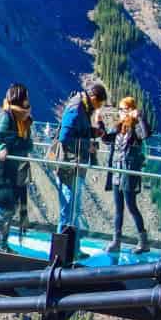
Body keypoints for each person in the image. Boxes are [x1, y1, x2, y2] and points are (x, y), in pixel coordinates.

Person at [0, 84, 33, 250]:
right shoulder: (7, 117)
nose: (28, 101)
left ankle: (2, 243)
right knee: (7, 208)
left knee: (12, 208)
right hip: (5, 170)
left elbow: (27, 143)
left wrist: (23, 144)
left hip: (17, 169)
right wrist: (4, 148)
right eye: (26, 97)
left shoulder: (22, 119)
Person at [52, 80, 108, 234]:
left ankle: (73, 247)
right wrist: (86, 145)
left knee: (73, 209)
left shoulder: (83, 108)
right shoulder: (76, 109)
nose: (100, 107)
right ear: (94, 98)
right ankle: (62, 249)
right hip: (68, 166)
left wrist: (92, 132)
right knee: (68, 210)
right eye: (100, 103)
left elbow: (78, 131)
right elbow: (65, 137)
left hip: (75, 165)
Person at [106, 94, 152, 255]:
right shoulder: (119, 126)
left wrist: (139, 118)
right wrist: (98, 122)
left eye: (124, 109)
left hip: (129, 172)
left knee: (132, 206)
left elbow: (146, 134)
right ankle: (116, 241)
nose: (121, 112)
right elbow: (106, 139)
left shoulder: (135, 129)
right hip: (117, 171)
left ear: (131, 110)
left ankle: (143, 241)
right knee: (118, 208)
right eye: (120, 109)